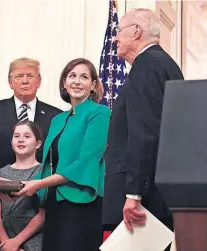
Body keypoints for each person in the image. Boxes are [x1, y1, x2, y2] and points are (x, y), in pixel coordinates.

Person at [102, 8, 184, 250]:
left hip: (141, 202)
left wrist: (134, 194)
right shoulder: (164, 64)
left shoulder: (146, 64)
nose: (115, 38)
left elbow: (145, 133)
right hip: (158, 193)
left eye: (119, 31)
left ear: (136, 32)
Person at [15, 58, 110, 251]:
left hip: (82, 202)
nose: (77, 81)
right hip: (53, 202)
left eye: (84, 77)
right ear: (64, 83)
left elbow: (87, 162)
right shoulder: (58, 119)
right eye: (72, 76)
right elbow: (47, 163)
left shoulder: (100, 113)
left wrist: (39, 185)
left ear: (92, 85)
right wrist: (27, 190)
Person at [0, 57, 62, 168]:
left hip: (42, 182)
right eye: (19, 76)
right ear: (10, 82)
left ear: (39, 82)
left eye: (30, 76)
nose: (25, 81)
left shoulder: (56, 116)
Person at [0, 121, 45, 251]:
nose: (21, 140)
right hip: (6, 244)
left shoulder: (44, 172)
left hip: (33, 242)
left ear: (38, 144)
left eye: (27, 136)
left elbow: (43, 214)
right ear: (11, 142)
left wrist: (17, 242)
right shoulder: (0, 173)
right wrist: (7, 244)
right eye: (16, 136)